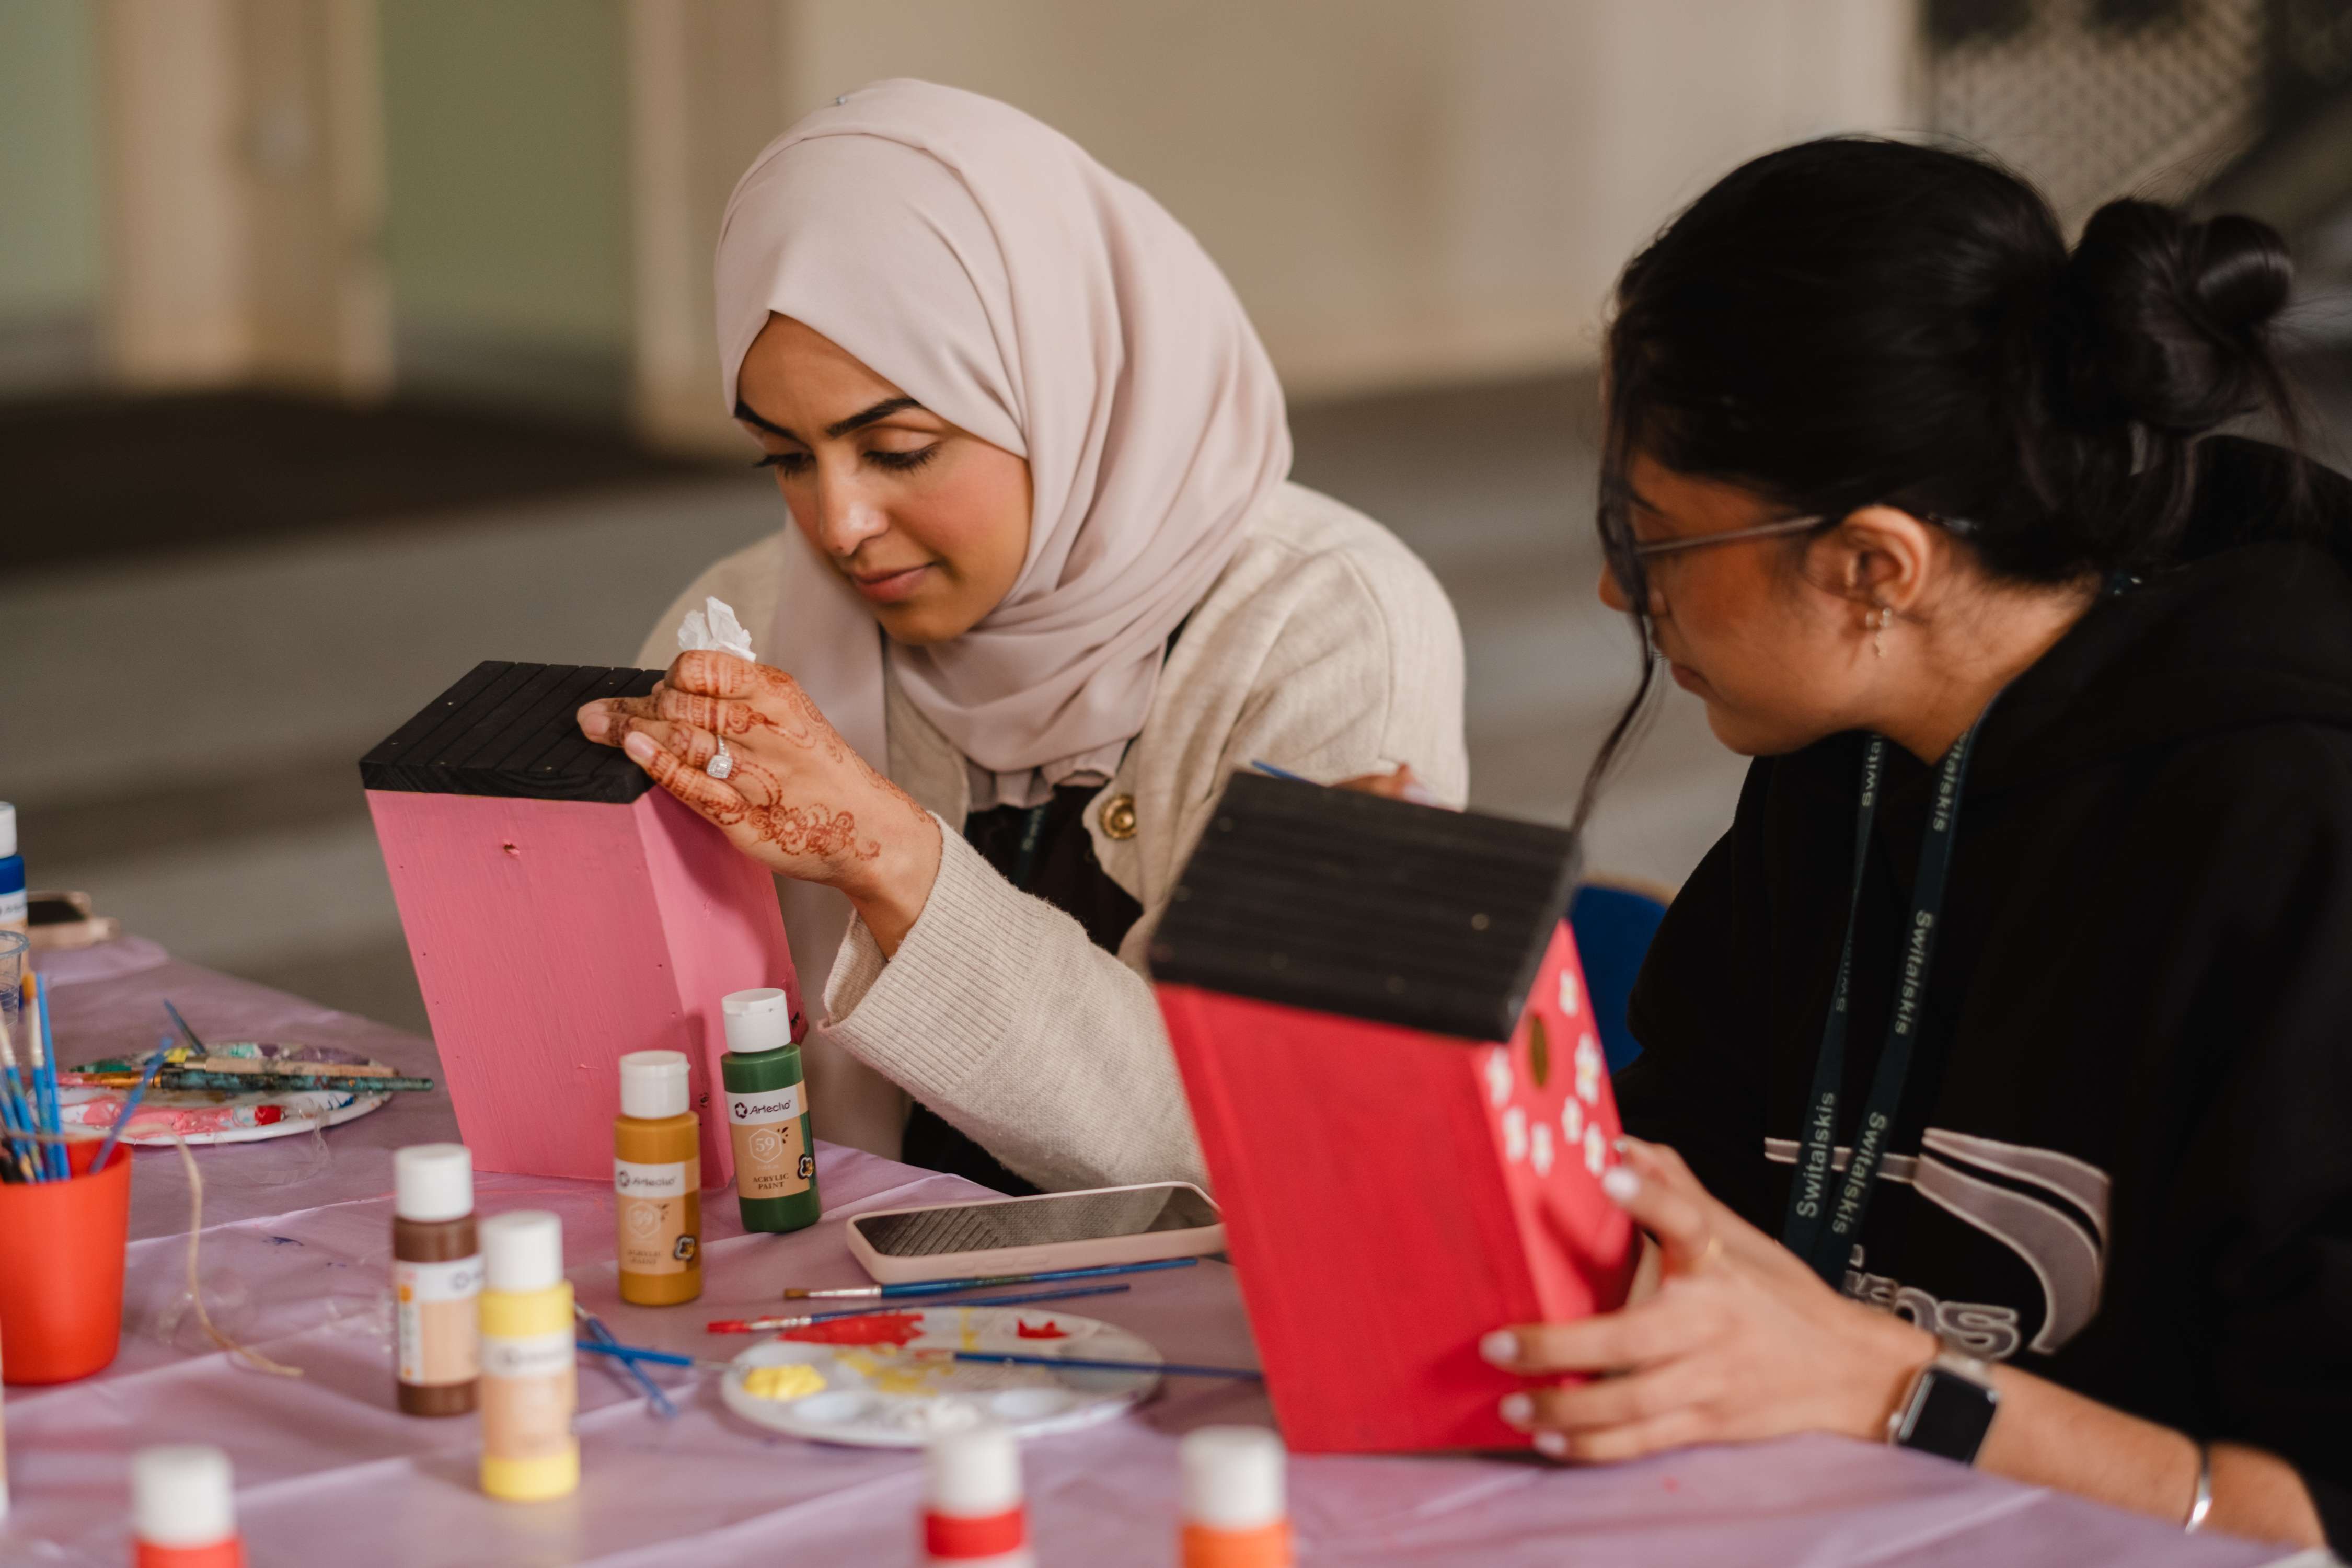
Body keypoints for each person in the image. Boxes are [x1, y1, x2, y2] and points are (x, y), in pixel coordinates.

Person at [1475, 138, 2352, 1550]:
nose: (1608, 588)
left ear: (1872, 569)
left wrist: (1892, 1385)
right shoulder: (1843, 755)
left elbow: (2307, 1508)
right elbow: (1680, 1171)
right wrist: (1419, 1020)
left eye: (1647, 542)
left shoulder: (2292, 832)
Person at [577, 80, 1466, 1195]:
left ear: (1066, 388)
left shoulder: (1323, 628)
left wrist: (885, 855)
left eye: (897, 448)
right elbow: (644, 1070)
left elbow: (1261, 1141)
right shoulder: (750, 618)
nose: (839, 525)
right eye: (787, 458)